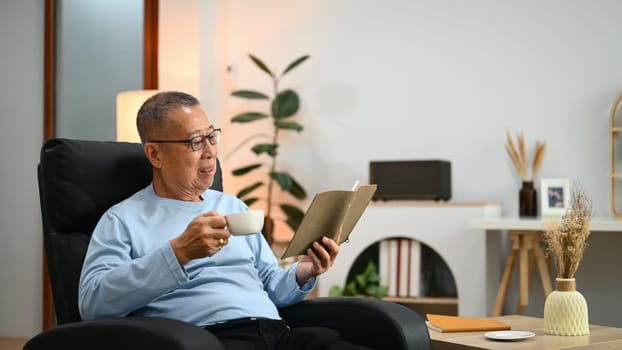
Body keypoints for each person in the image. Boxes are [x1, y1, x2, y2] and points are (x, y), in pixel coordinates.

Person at [78, 91, 371, 350]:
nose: (211, 152)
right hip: (208, 339)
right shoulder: (123, 219)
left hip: (278, 334)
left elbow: (270, 283)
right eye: (195, 142)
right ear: (155, 154)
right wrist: (179, 253)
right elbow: (93, 302)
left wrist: (305, 270)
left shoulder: (231, 205)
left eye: (211, 136)